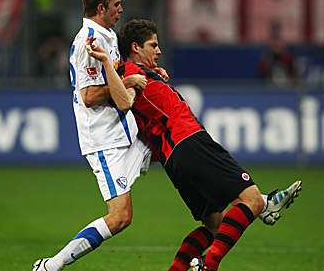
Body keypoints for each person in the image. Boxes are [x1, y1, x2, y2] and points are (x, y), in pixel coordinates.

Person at [106, 19, 300, 271]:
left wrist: (150, 75)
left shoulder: (141, 74)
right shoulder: (130, 72)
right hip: (189, 141)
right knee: (250, 200)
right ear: (135, 47)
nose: (159, 50)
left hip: (173, 159)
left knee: (216, 225)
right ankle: (210, 263)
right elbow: (122, 90)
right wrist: (125, 75)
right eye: (153, 45)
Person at [32, 0, 150, 271]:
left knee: (179, 144)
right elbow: (88, 95)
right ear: (101, 8)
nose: (121, 9)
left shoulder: (107, 35)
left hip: (125, 131)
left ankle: (246, 199)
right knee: (120, 217)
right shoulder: (88, 42)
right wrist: (127, 83)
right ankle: (52, 265)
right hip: (105, 140)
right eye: (116, 4)